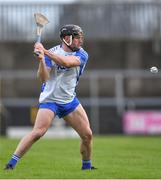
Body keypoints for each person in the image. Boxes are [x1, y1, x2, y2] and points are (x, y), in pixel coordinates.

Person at [5, 24, 96, 170]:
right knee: (38, 133)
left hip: (69, 101)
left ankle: (87, 167)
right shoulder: (51, 53)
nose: (80, 41)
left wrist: (44, 51)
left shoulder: (82, 54)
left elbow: (67, 62)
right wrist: (41, 59)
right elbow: (43, 78)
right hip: (50, 100)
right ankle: (11, 163)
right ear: (67, 39)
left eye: (81, 38)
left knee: (87, 135)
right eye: (77, 38)